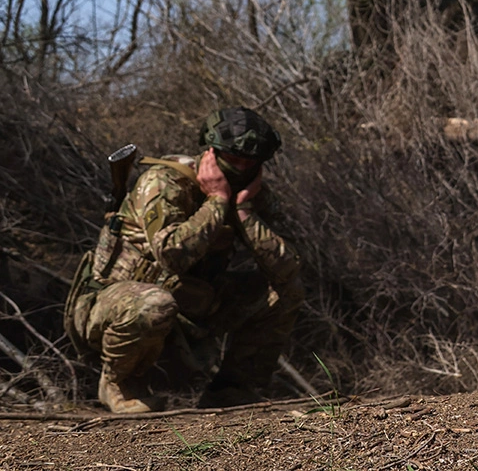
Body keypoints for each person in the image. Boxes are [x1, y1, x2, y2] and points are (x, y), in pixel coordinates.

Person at [65, 107, 303, 413]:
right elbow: (172, 256)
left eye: (250, 162)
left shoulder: (249, 192)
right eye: (233, 158)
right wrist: (217, 200)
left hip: (188, 304)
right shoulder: (165, 182)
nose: (241, 167)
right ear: (211, 151)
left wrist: (243, 212)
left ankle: (232, 391)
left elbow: (288, 268)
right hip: (114, 307)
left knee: (287, 292)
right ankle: (118, 384)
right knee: (154, 303)